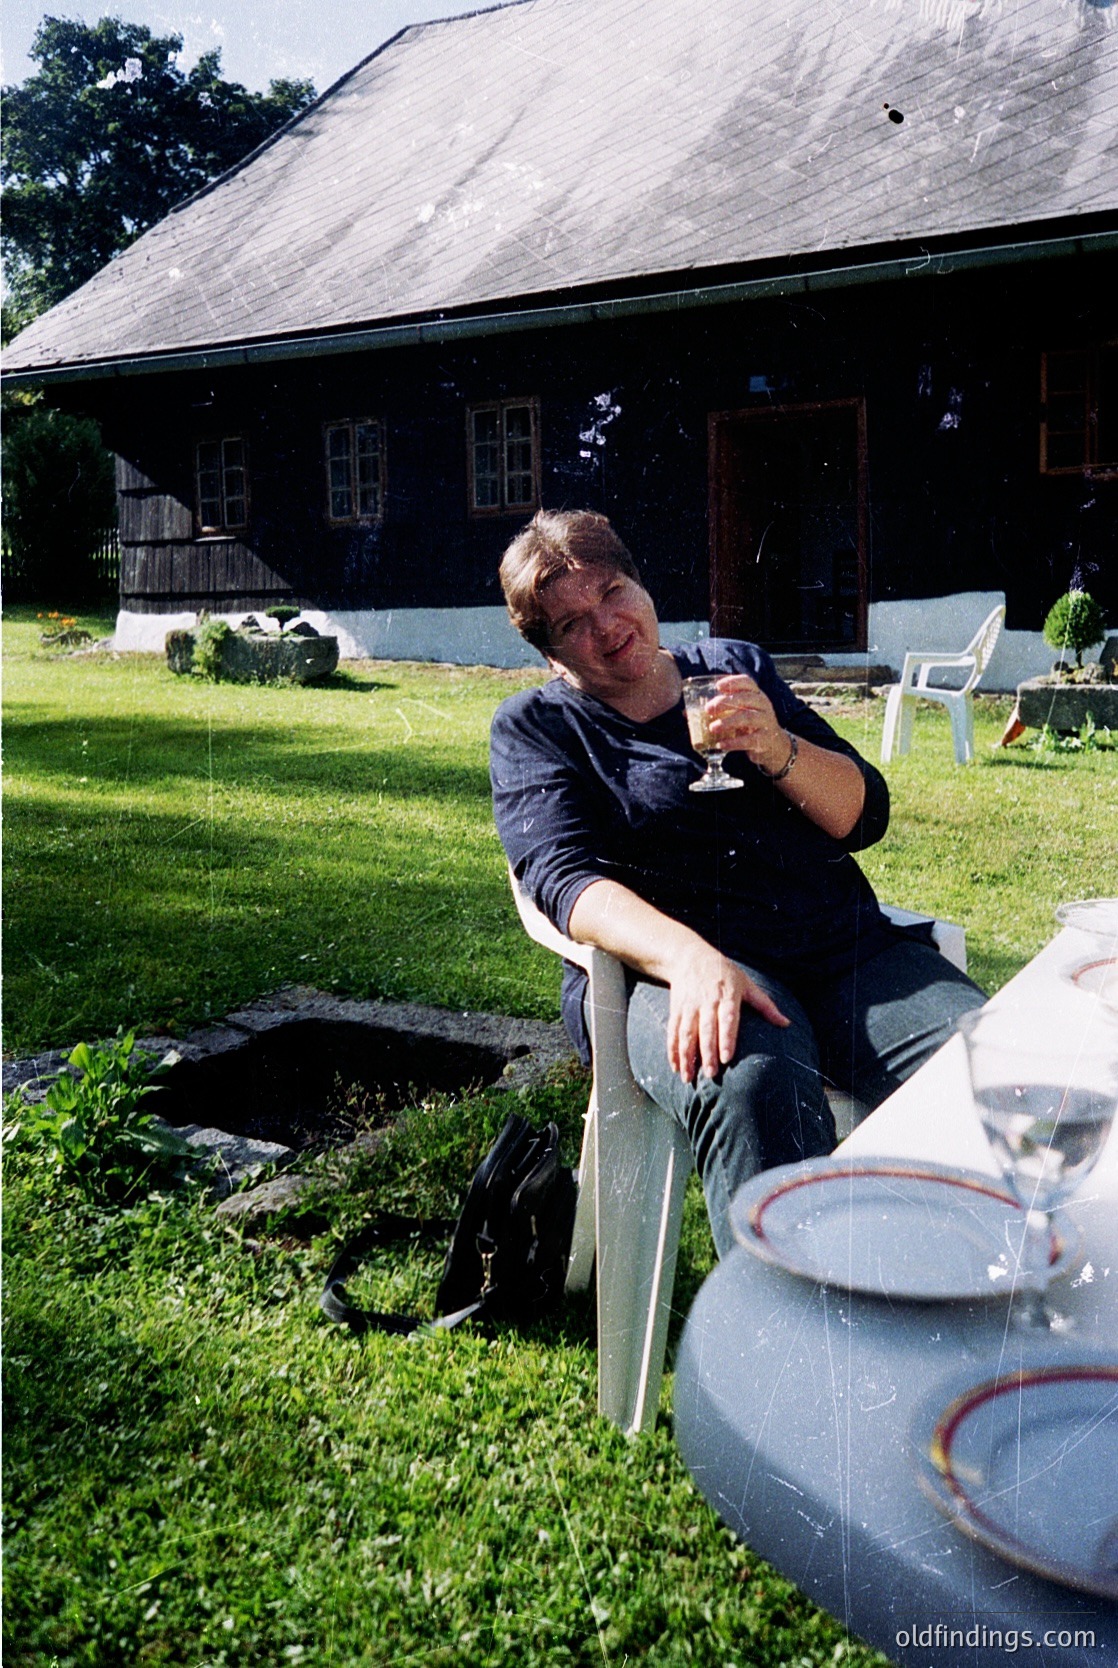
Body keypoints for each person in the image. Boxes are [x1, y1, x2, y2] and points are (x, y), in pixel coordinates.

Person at [490, 509, 985, 1256]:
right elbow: (562, 881)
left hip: (837, 951)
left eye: (614, 591)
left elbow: (861, 815)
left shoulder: (734, 667)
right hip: (668, 976)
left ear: (642, 583)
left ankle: (973, 1302)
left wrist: (779, 747)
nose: (607, 624)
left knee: (987, 1067)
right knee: (757, 1088)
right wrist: (686, 958)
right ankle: (786, 1351)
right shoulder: (538, 727)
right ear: (551, 654)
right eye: (571, 623)